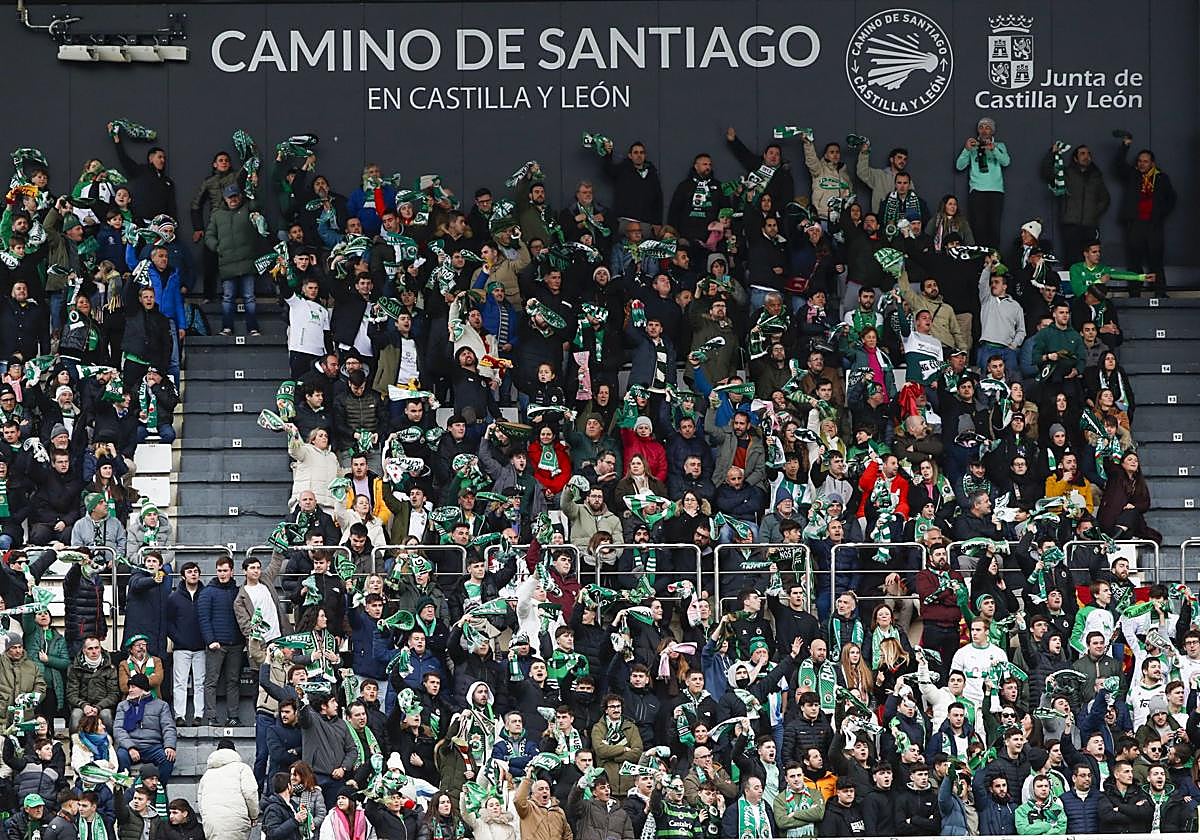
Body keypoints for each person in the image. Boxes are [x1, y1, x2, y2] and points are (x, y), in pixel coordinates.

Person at [955, 117, 1010, 248]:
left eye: (987, 127)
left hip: (996, 191)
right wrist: (966, 149)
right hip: (977, 191)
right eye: (981, 127)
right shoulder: (972, 146)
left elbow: (1006, 162)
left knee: (994, 228)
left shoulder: (1000, 146)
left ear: (992, 131)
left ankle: (995, 261)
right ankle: (980, 261)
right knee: (978, 228)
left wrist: (993, 149)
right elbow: (959, 166)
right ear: (978, 130)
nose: (984, 130)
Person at [113, 673, 177, 783]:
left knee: (167, 758)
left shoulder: (161, 705)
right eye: (129, 687)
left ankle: (157, 789)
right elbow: (118, 729)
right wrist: (130, 747)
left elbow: (168, 727)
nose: (130, 690)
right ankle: (126, 789)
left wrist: (170, 746)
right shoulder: (123, 705)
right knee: (121, 756)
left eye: (133, 687)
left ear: (143, 689)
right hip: (131, 745)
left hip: (153, 746)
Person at [196, 739, 259, 840]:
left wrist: (206, 818)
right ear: (234, 752)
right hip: (236, 821)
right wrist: (254, 816)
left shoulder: (207, 775)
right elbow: (250, 794)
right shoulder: (242, 768)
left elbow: (201, 802)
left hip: (211, 823)